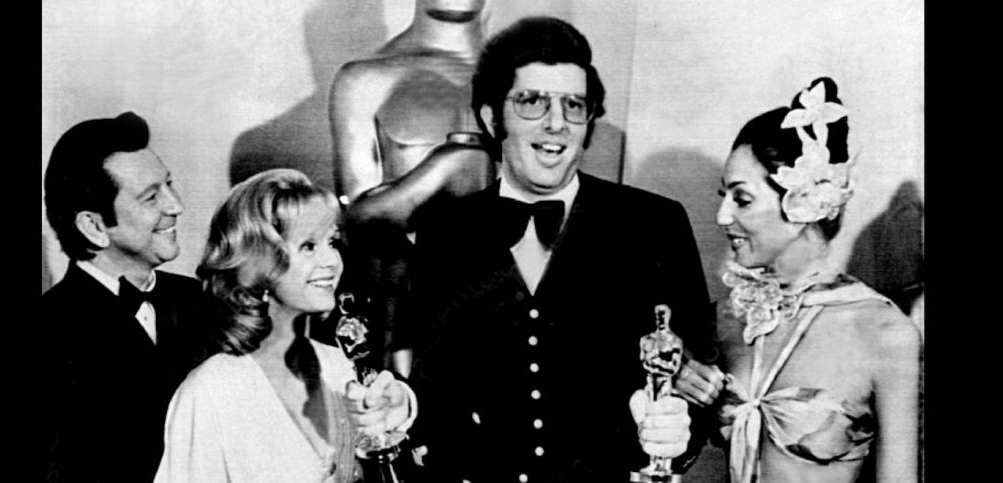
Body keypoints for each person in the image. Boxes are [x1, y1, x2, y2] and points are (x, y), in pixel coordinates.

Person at [405, 16, 716, 482]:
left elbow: (696, 383)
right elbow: (433, 389)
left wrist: (675, 438)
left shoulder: (654, 224)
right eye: (532, 102)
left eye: (574, 105)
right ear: (491, 118)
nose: (557, 123)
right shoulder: (445, 231)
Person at [674, 77, 921, 482]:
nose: (722, 216)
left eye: (741, 199)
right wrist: (676, 384)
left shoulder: (884, 333)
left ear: (802, 202)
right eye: (724, 197)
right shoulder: (728, 319)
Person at [154, 169, 417, 483]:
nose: (332, 261)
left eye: (331, 242)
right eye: (308, 246)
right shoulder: (212, 390)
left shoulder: (337, 365)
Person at [40, 112, 211, 482]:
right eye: (151, 197)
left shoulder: (203, 301)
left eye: (169, 184)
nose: (176, 205)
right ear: (94, 227)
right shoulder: (45, 335)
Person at [329, 0, 496, 376]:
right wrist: (446, 166)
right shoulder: (366, 79)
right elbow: (355, 224)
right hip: (406, 343)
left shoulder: (534, 80)